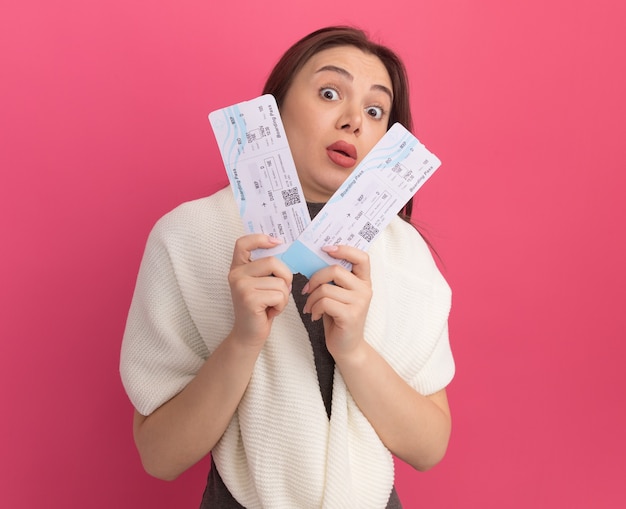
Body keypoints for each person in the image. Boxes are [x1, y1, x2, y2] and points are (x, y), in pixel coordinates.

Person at [120, 26, 455, 509]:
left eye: (375, 110)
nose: (353, 121)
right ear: (272, 109)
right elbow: (159, 456)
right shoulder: (187, 236)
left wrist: (354, 351)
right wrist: (242, 341)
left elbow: (429, 448)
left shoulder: (407, 258)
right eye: (328, 92)